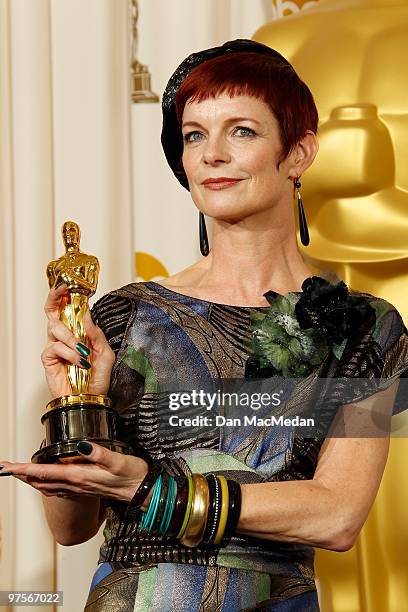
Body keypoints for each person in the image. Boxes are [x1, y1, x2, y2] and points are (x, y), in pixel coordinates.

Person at [2, 39, 407, 612]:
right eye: (195, 135)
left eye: (241, 131)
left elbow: (338, 515)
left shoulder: (371, 329)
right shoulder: (124, 315)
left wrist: (151, 490)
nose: (212, 154)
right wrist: (78, 404)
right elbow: (71, 527)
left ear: (299, 152)